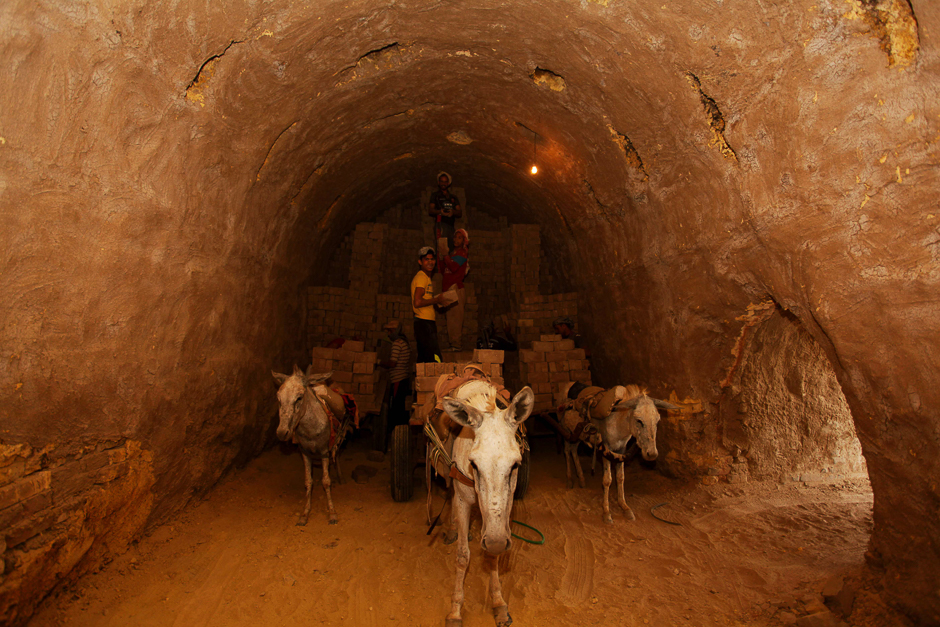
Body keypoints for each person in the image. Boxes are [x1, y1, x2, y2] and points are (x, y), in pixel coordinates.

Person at [378, 320, 412, 444]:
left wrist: (378, 362)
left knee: (397, 412)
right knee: (400, 411)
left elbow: (393, 363)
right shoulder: (405, 342)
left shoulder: (397, 343)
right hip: (403, 380)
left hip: (398, 380)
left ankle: (398, 441)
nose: (388, 334)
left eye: (390, 331)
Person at [411, 246, 445, 363]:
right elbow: (418, 302)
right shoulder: (421, 277)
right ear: (420, 262)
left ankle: (421, 380)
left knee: (425, 359)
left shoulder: (426, 278)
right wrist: (436, 300)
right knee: (435, 360)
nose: (430, 262)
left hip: (425, 323)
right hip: (424, 323)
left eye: (432, 259)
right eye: (426, 259)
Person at [439, 228, 470, 351]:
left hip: (456, 288)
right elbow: (443, 270)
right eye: (455, 237)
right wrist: (442, 256)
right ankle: (453, 344)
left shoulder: (462, 253)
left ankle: (456, 345)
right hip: (449, 288)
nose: (456, 239)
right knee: (450, 319)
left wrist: (445, 255)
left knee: (456, 318)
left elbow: (453, 267)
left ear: (464, 240)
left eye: (459, 237)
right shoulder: (453, 254)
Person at [428, 172, 462, 253]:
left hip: (451, 226)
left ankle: (449, 265)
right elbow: (430, 210)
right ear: (439, 182)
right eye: (441, 181)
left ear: (448, 183)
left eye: (445, 181)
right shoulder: (435, 195)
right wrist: (440, 212)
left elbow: (460, 212)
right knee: (442, 249)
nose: (443, 183)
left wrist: (453, 212)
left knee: (451, 249)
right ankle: (441, 265)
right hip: (440, 224)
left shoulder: (453, 197)